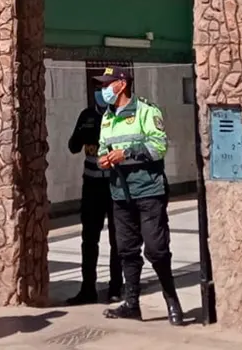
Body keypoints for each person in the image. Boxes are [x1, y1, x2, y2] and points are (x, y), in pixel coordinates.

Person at [94, 67, 184, 326]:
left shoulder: (147, 111)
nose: (103, 90)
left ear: (121, 84)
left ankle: (171, 299)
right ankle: (132, 303)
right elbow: (102, 147)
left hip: (148, 191)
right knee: (126, 250)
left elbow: (159, 147)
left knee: (156, 250)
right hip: (120, 193)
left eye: (107, 84)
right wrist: (104, 160)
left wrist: (127, 152)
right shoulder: (107, 118)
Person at [65, 89, 122, 306]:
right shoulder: (86, 116)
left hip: (115, 186)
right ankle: (87, 288)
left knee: (118, 239)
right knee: (89, 239)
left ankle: (116, 287)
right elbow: (73, 146)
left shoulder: (119, 118)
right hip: (92, 186)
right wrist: (82, 133)